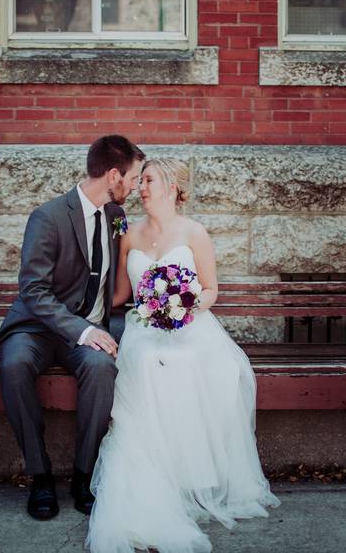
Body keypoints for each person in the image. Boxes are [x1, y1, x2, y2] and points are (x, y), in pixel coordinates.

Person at [86, 159, 279, 553]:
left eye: (149, 180)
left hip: (190, 327)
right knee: (145, 367)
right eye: (139, 181)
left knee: (206, 367)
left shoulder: (195, 232)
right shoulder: (129, 234)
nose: (141, 187)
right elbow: (121, 297)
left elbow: (210, 289)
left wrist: (183, 306)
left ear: (172, 186)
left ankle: (191, 479)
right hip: (145, 330)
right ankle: (156, 482)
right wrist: (84, 310)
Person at [0, 135, 145, 521]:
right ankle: (40, 476)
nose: (136, 185)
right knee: (13, 365)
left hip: (89, 332)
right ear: (113, 175)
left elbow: (124, 273)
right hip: (36, 330)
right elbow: (34, 289)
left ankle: (84, 475)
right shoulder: (48, 216)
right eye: (133, 177)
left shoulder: (116, 216)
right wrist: (82, 330)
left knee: (102, 367)